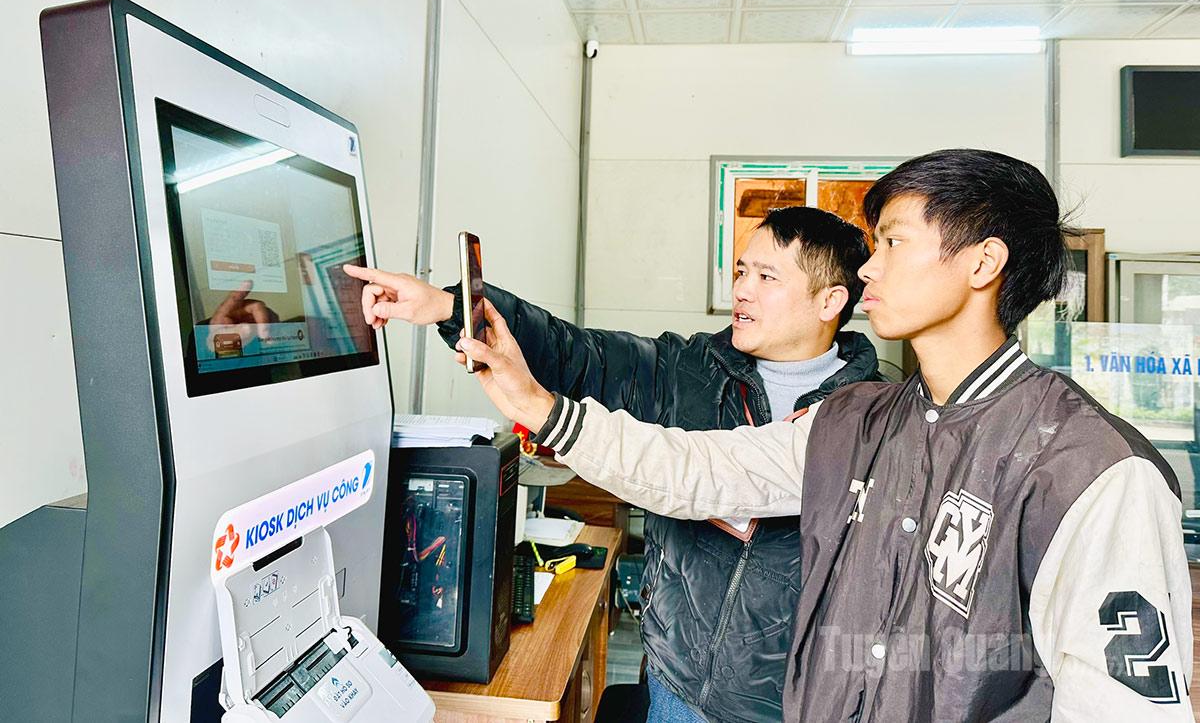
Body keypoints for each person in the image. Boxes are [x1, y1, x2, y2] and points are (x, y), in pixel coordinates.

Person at [454, 149, 1193, 722]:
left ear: (983, 262)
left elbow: (1125, 705)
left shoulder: (1092, 469)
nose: (870, 265)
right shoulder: (857, 421)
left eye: (895, 242)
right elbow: (695, 469)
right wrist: (540, 407)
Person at [344, 207, 880, 722]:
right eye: (741, 270)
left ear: (830, 300)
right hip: (679, 686)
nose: (741, 289)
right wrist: (448, 305)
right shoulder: (688, 369)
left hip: (795, 704)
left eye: (767, 276)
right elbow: (572, 351)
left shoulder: (873, 419)